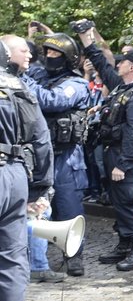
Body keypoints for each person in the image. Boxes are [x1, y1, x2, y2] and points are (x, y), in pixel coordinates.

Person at [78, 23, 133, 271]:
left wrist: (124, 163)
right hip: (113, 151)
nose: (118, 64)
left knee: (130, 203)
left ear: (132, 67)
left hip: (124, 156)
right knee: (119, 203)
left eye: (122, 62)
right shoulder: (123, 88)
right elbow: (102, 64)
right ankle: (124, 243)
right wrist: (87, 41)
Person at [0, 39, 54, 301]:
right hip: (12, 173)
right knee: (12, 258)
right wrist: (40, 189)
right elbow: (41, 137)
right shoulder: (15, 86)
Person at [29, 33, 91, 276]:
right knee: (38, 209)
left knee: (69, 208)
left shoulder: (76, 84)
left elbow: (51, 101)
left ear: (67, 58)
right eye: (47, 53)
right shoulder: (38, 75)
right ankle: (37, 259)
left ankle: (74, 255)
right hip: (41, 155)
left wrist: (29, 84)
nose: (49, 57)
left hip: (67, 158)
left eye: (55, 54)